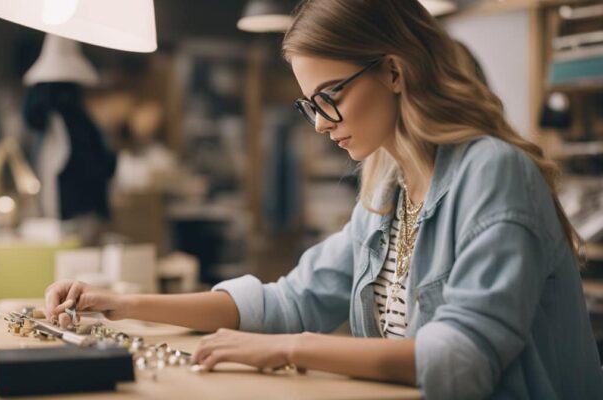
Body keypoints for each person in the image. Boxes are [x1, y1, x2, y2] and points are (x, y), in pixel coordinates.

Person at [44, 1, 603, 398]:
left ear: (393, 71)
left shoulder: (494, 172)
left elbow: (460, 361)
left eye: (329, 97)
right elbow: (288, 300)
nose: (318, 125)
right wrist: (124, 303)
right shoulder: (388, 183)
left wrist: (291, 349)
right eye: (308, 105)